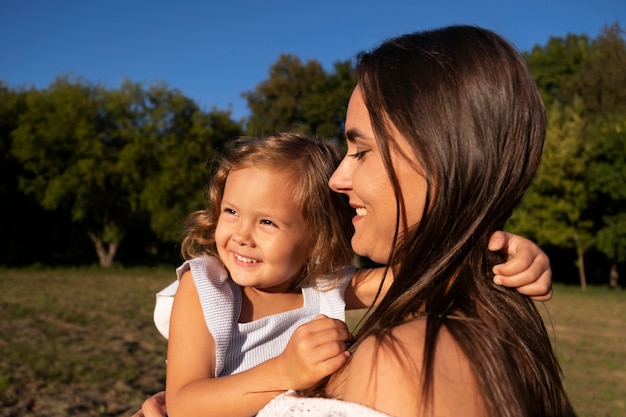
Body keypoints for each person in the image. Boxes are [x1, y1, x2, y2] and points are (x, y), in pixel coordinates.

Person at [255, 25, 576, 416]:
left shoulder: (398, 366)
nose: (336, 180)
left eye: (361, 151)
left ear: (440, 159)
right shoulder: (501, 327)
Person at [134, 126, 553, 417]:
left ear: (315, 237)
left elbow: (424, 275)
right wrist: (285, 372)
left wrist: (501, 254)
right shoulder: (207, 286)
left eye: (267, 223)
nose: (241, 235)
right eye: (231, 212)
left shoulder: (324, 288)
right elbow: (186, 405)